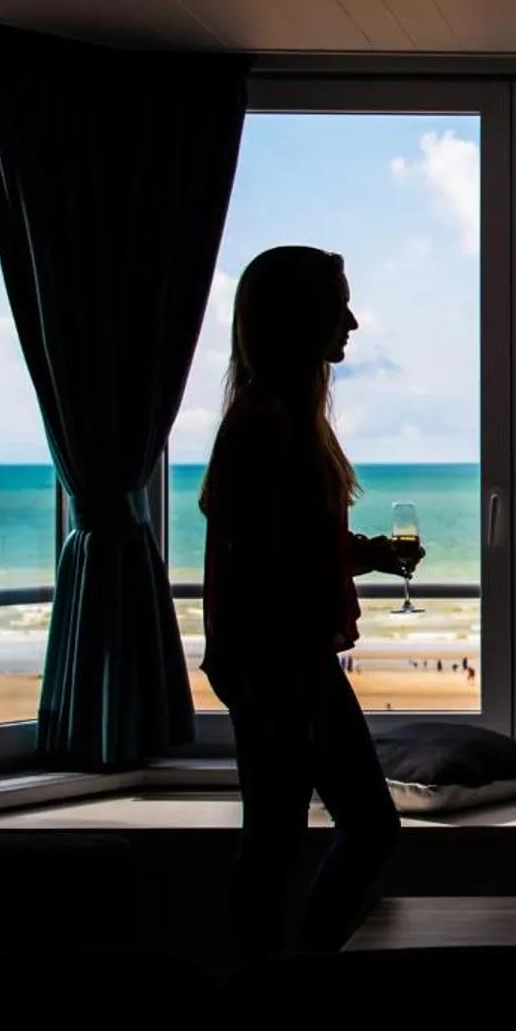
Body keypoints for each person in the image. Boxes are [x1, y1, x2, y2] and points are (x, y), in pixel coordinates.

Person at [198, 245, 417, 960]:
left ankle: (287, 976)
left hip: (287, 664)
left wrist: (368, 553)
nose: (351, 320)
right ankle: (287, 979)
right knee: (294, 839)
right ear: (299, 319)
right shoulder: (264, 424)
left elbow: (286, 543)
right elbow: (259, 562)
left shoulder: (278, 416)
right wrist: (283, 679)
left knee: (284, 838)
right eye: (337, 306)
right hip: (283, 667)